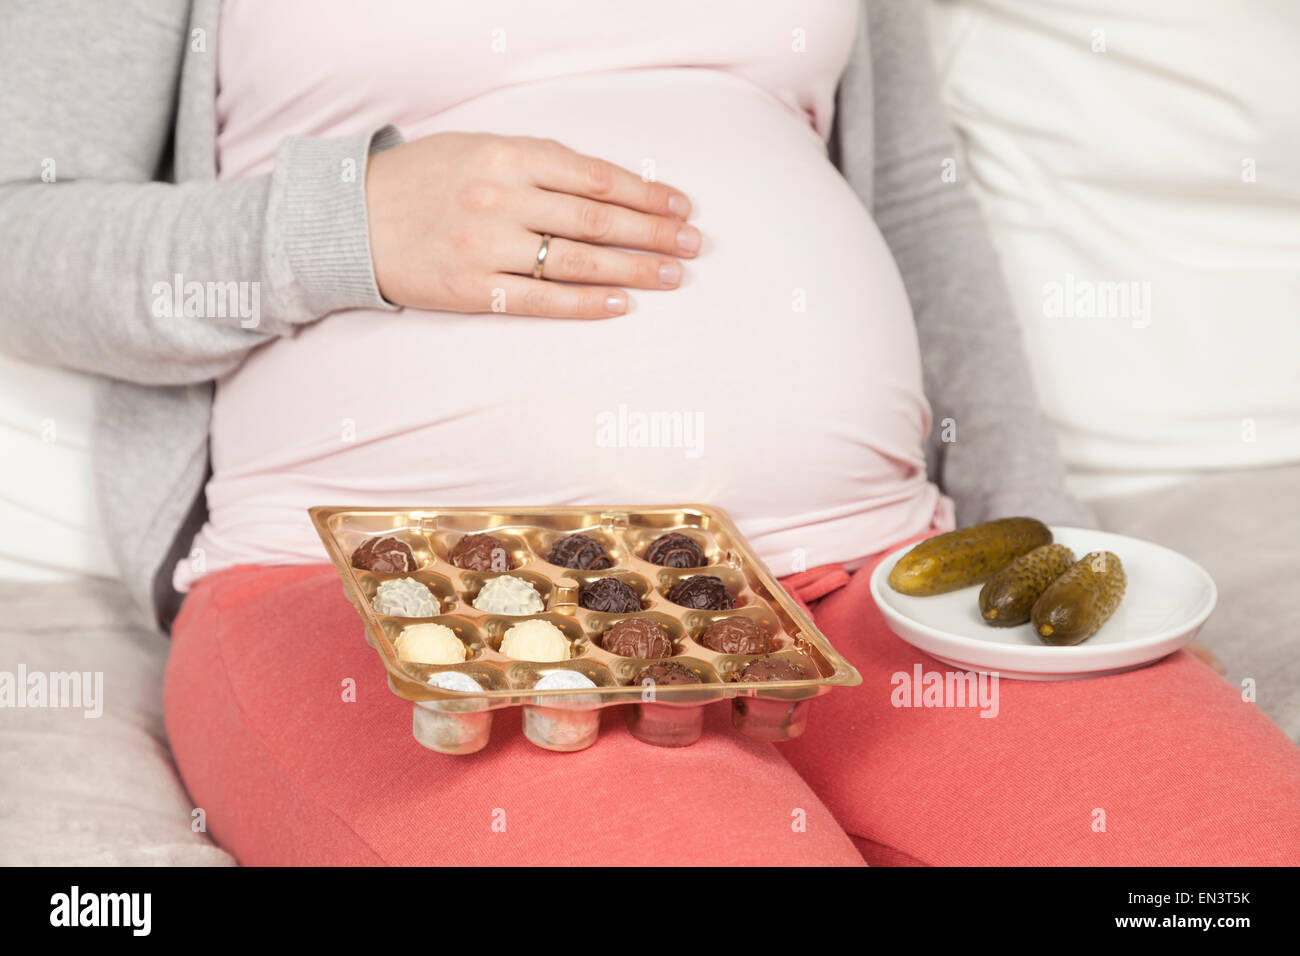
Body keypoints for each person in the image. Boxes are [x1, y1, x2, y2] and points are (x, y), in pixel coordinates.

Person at [2, 0, 1296, 865]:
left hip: (874, 576)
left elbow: (913, 195)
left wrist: (1028, 533)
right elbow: (21, 230)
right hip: (403, 594)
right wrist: (341, 230)